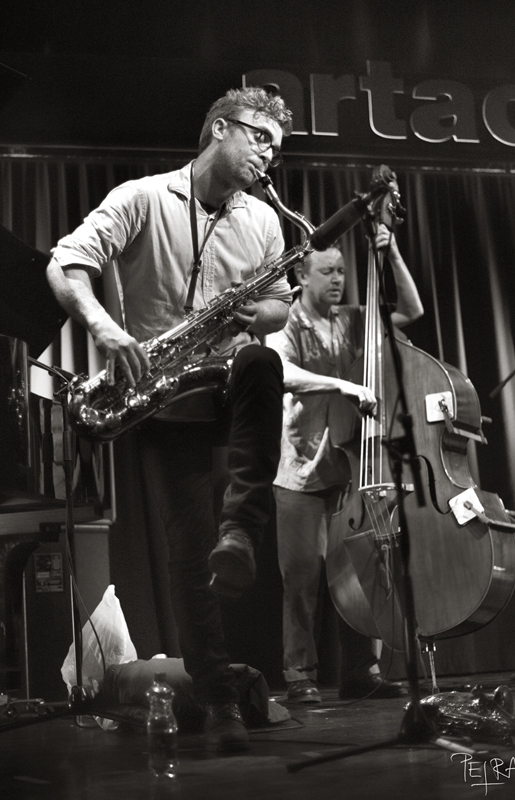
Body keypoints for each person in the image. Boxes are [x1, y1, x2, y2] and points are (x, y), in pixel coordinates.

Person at [46, 87, 294, 752]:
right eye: (260, 138)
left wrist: (258, 313)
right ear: (219, 128)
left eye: (277, 147)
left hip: (228, 378)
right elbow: (65, 263)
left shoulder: (264, 220)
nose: (269, 156)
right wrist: (105, 329)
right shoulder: (142, 197)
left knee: (262, 363)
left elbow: (279, 305)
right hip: (162, 394)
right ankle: (218, 700)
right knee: (188, 554)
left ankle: (241, 529)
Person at [266, 230, 424, 704]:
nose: (337, 279)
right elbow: (282, 370)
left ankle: (361, 670)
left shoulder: (353, 319)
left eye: (341, 271)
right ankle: (300, 676)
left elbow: (412, 310)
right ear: (301, 275)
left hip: (351, 470)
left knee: (356, 574)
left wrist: (392, 251)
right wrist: (343, 386)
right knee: (302, 580)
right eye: (327, 271)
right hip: (300, 472)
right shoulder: (286, 320)